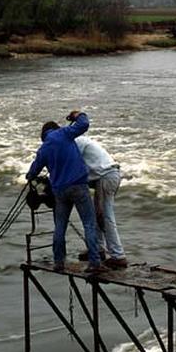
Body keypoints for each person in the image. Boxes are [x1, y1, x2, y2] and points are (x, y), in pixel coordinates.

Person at [25, 112, 106, 274]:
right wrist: (78, 114)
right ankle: (95, 263)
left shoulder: (44, 148)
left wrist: (31, 177)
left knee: (59, 227)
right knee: (89, 224)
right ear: (57, 128)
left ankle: (59, 262)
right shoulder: (64, 133)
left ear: (44, 135)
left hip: (59, 191)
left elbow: (32, 172)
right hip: (78, 186)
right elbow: (84, 124)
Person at [74, 134, 128, 269]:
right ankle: (98, 248)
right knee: (97, 214)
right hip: (107, 176)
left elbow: (72, 164)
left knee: (105, 216)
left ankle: (118, 255)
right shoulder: (81, 141)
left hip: (106, 177)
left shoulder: (77, 143)